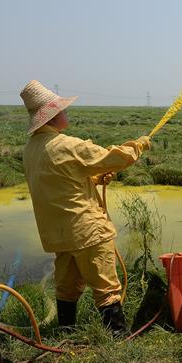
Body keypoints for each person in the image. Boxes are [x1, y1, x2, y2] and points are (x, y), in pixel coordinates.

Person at [20, 80, 151, 337]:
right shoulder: (67, 145)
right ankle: (118, 341)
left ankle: (66, 335)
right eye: (62, 109)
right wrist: (139, 146)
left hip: (59, 235)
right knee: (106, 288)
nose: (66, 113)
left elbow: (59, 180)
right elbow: (111, 158)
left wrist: (92, 179)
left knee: (66, 287)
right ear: (52, 115)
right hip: (87, 231)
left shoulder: (30, 149)